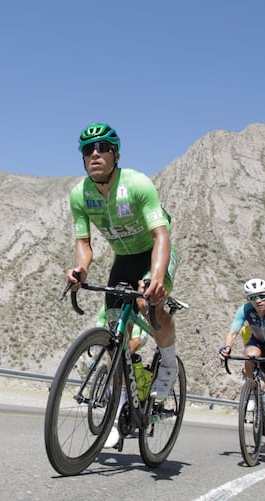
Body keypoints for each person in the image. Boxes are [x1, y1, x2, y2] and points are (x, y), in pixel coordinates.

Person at [66, 122, 179, 447]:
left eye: (102, 148)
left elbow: (160, 235)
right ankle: (119, 412)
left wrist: (156, 278)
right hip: (124, 261)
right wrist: (81, 269)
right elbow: (84, 244)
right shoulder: (80, 195)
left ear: (116, 153)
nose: (95, 154)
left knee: (147, 301)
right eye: (88, 150)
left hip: (155, 252)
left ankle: (168, 364)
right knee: (117, 337)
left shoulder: (137, 184)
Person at [219, 278, 265, 456]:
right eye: (253, 297)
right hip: (258, 343)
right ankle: (253, 388)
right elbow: (233, 331)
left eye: (262, 296)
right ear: (248, 300)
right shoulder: (245, 311)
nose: (258, 300)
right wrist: (227, 347)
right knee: (250, 354)